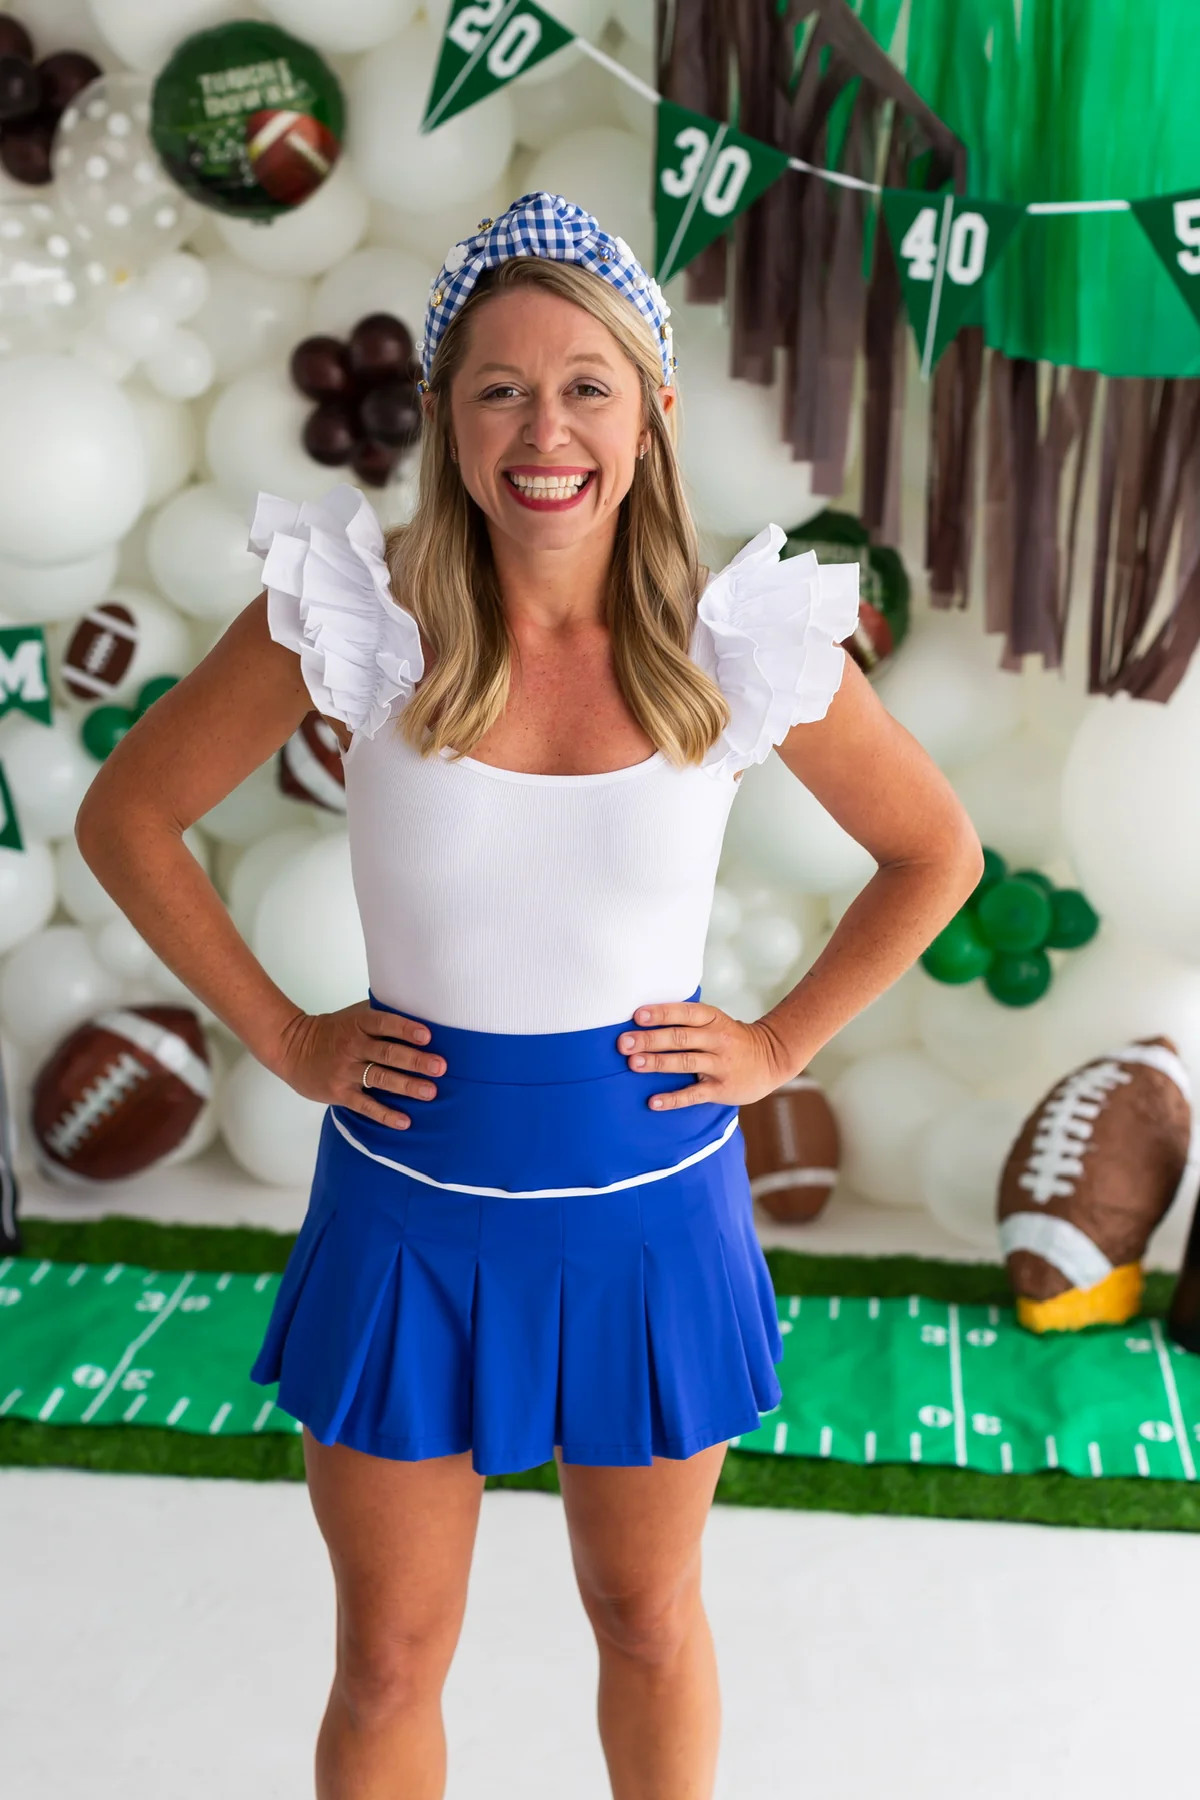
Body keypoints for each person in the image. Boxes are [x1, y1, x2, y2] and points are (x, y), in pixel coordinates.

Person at [74, 191, 984, 1800]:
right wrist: (286, 1035)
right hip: (408, 1213)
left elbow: (936, 853)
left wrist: (780, 1043)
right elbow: (127, 817)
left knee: (645, 1614)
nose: (544, 431)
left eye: (585, 387)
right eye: (500, 389)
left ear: (652, 412)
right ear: (443, 415)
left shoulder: (733, 639)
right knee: (387, 1660)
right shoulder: (364, 616)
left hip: (650, 1215)